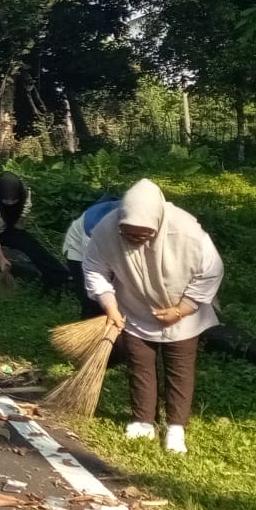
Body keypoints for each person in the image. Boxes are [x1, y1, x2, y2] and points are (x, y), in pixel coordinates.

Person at [82, 179, 221, 454]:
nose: (134, 239)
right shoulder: (105, 230)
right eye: (128, 233)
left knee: (179, 368)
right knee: (139, 364)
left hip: (183, 314)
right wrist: (109, 305)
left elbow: (212, 271)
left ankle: (176, 427)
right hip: (134, 309)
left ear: (158, 223)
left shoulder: (188, 232)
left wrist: (183, 309)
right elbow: (94, 268)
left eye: (143, 234)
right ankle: (143, 420)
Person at [0, 172, 67, 315]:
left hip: (4, 226)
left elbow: (25, 207)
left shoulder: (24, 192)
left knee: (30, 244)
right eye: (6, 200)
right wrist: (2, 258)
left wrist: (18, 223)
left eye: (13, 200)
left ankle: (60, 278)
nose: (10, 203)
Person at [62, 197, 121, 318]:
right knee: (92, 301)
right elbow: (94, 265)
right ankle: (90, 328)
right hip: (79, 253)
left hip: (111, 249)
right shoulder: (93, 228)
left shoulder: (134, 212)